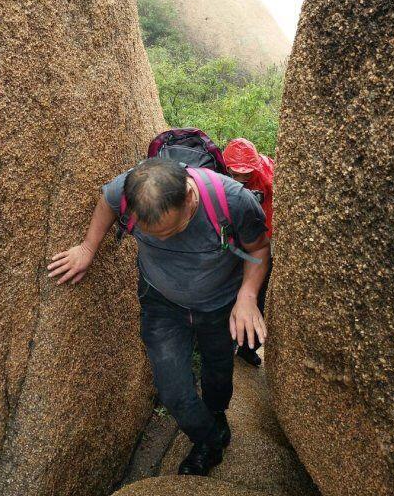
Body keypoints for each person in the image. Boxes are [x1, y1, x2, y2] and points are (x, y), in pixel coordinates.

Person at [47, 158, 270, 477]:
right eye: (154, 235)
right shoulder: (129, 190)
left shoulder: (234, 201)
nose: (166, 241)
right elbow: (107, 201)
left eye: (172, 231)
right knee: (172, 391)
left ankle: (216, 413)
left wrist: (248, 296)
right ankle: (209, 440)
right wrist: (87, 248)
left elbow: (260, 247)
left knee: (218, 372)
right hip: (162, 304)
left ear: (190, 199)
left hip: (220, 305)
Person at [222, 138, 274, 368]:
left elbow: (273, 211)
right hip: (232, 238)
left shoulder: (267, 175)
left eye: (246, 173)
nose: (242, 178)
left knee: (256, 294)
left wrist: (263, 243)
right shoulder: (217, 173)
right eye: (236, 173)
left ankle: (247, 347)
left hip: (257, 237)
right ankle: (224, 340)